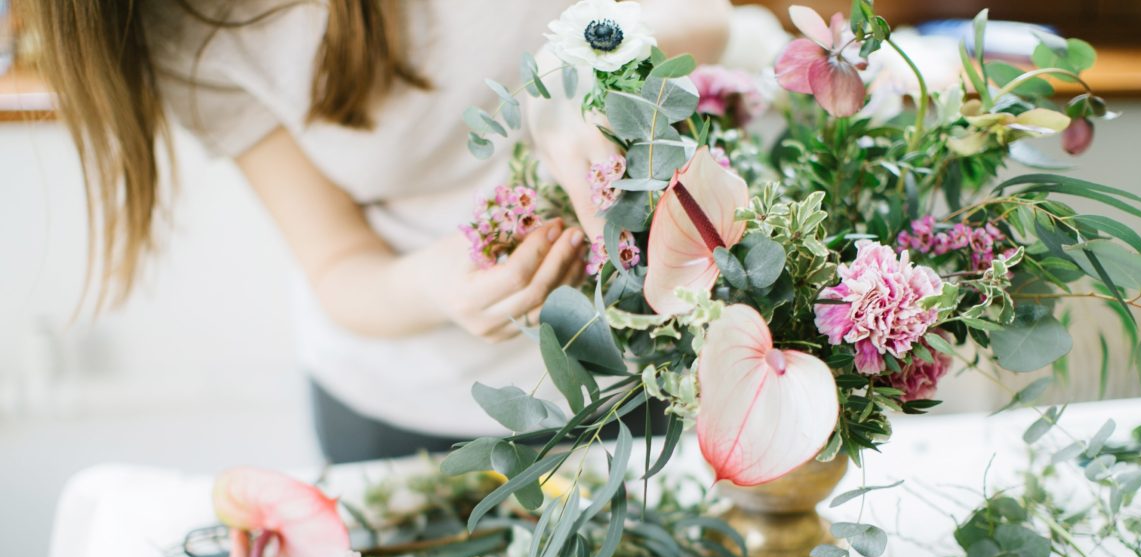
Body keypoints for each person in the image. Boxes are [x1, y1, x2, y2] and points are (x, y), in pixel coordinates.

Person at [25, 0, 732, 462]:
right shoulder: (176, 24)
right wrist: (432, 282)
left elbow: (716, 17)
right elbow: (335, 261)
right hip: (401, 414)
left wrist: (590, 60)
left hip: (647, 371)